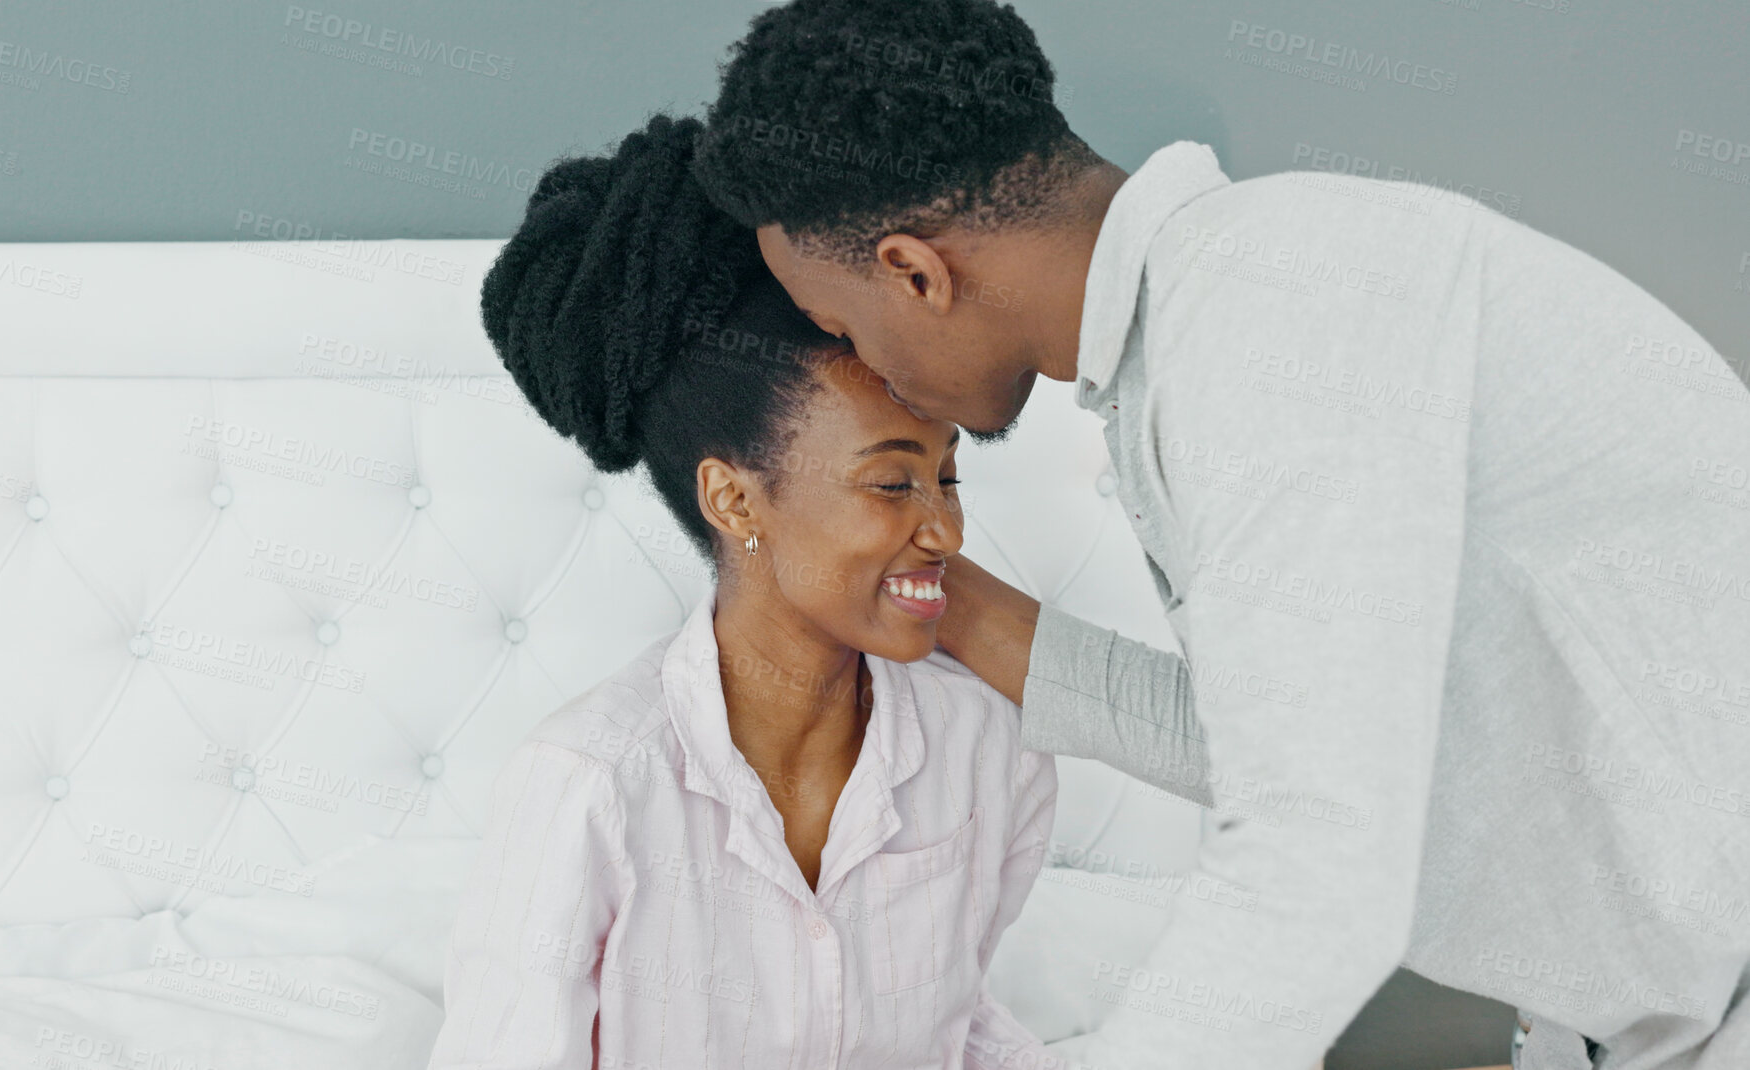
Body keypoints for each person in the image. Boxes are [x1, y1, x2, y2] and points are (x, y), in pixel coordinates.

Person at [685, 1, 1750, 1068]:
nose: (870, 366)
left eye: (841, 325)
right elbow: (1285, 743)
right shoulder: (1241, 298)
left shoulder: (1266, 327)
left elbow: (1316, 857)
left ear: (916, 271)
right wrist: (943, 600)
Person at [425, 113, 1060, 1070]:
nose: (945, 530)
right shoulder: (590, 784)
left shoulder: (987, 753)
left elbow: (961, 1027)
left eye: (947, 478)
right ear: (730, 497)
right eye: (891, 484)